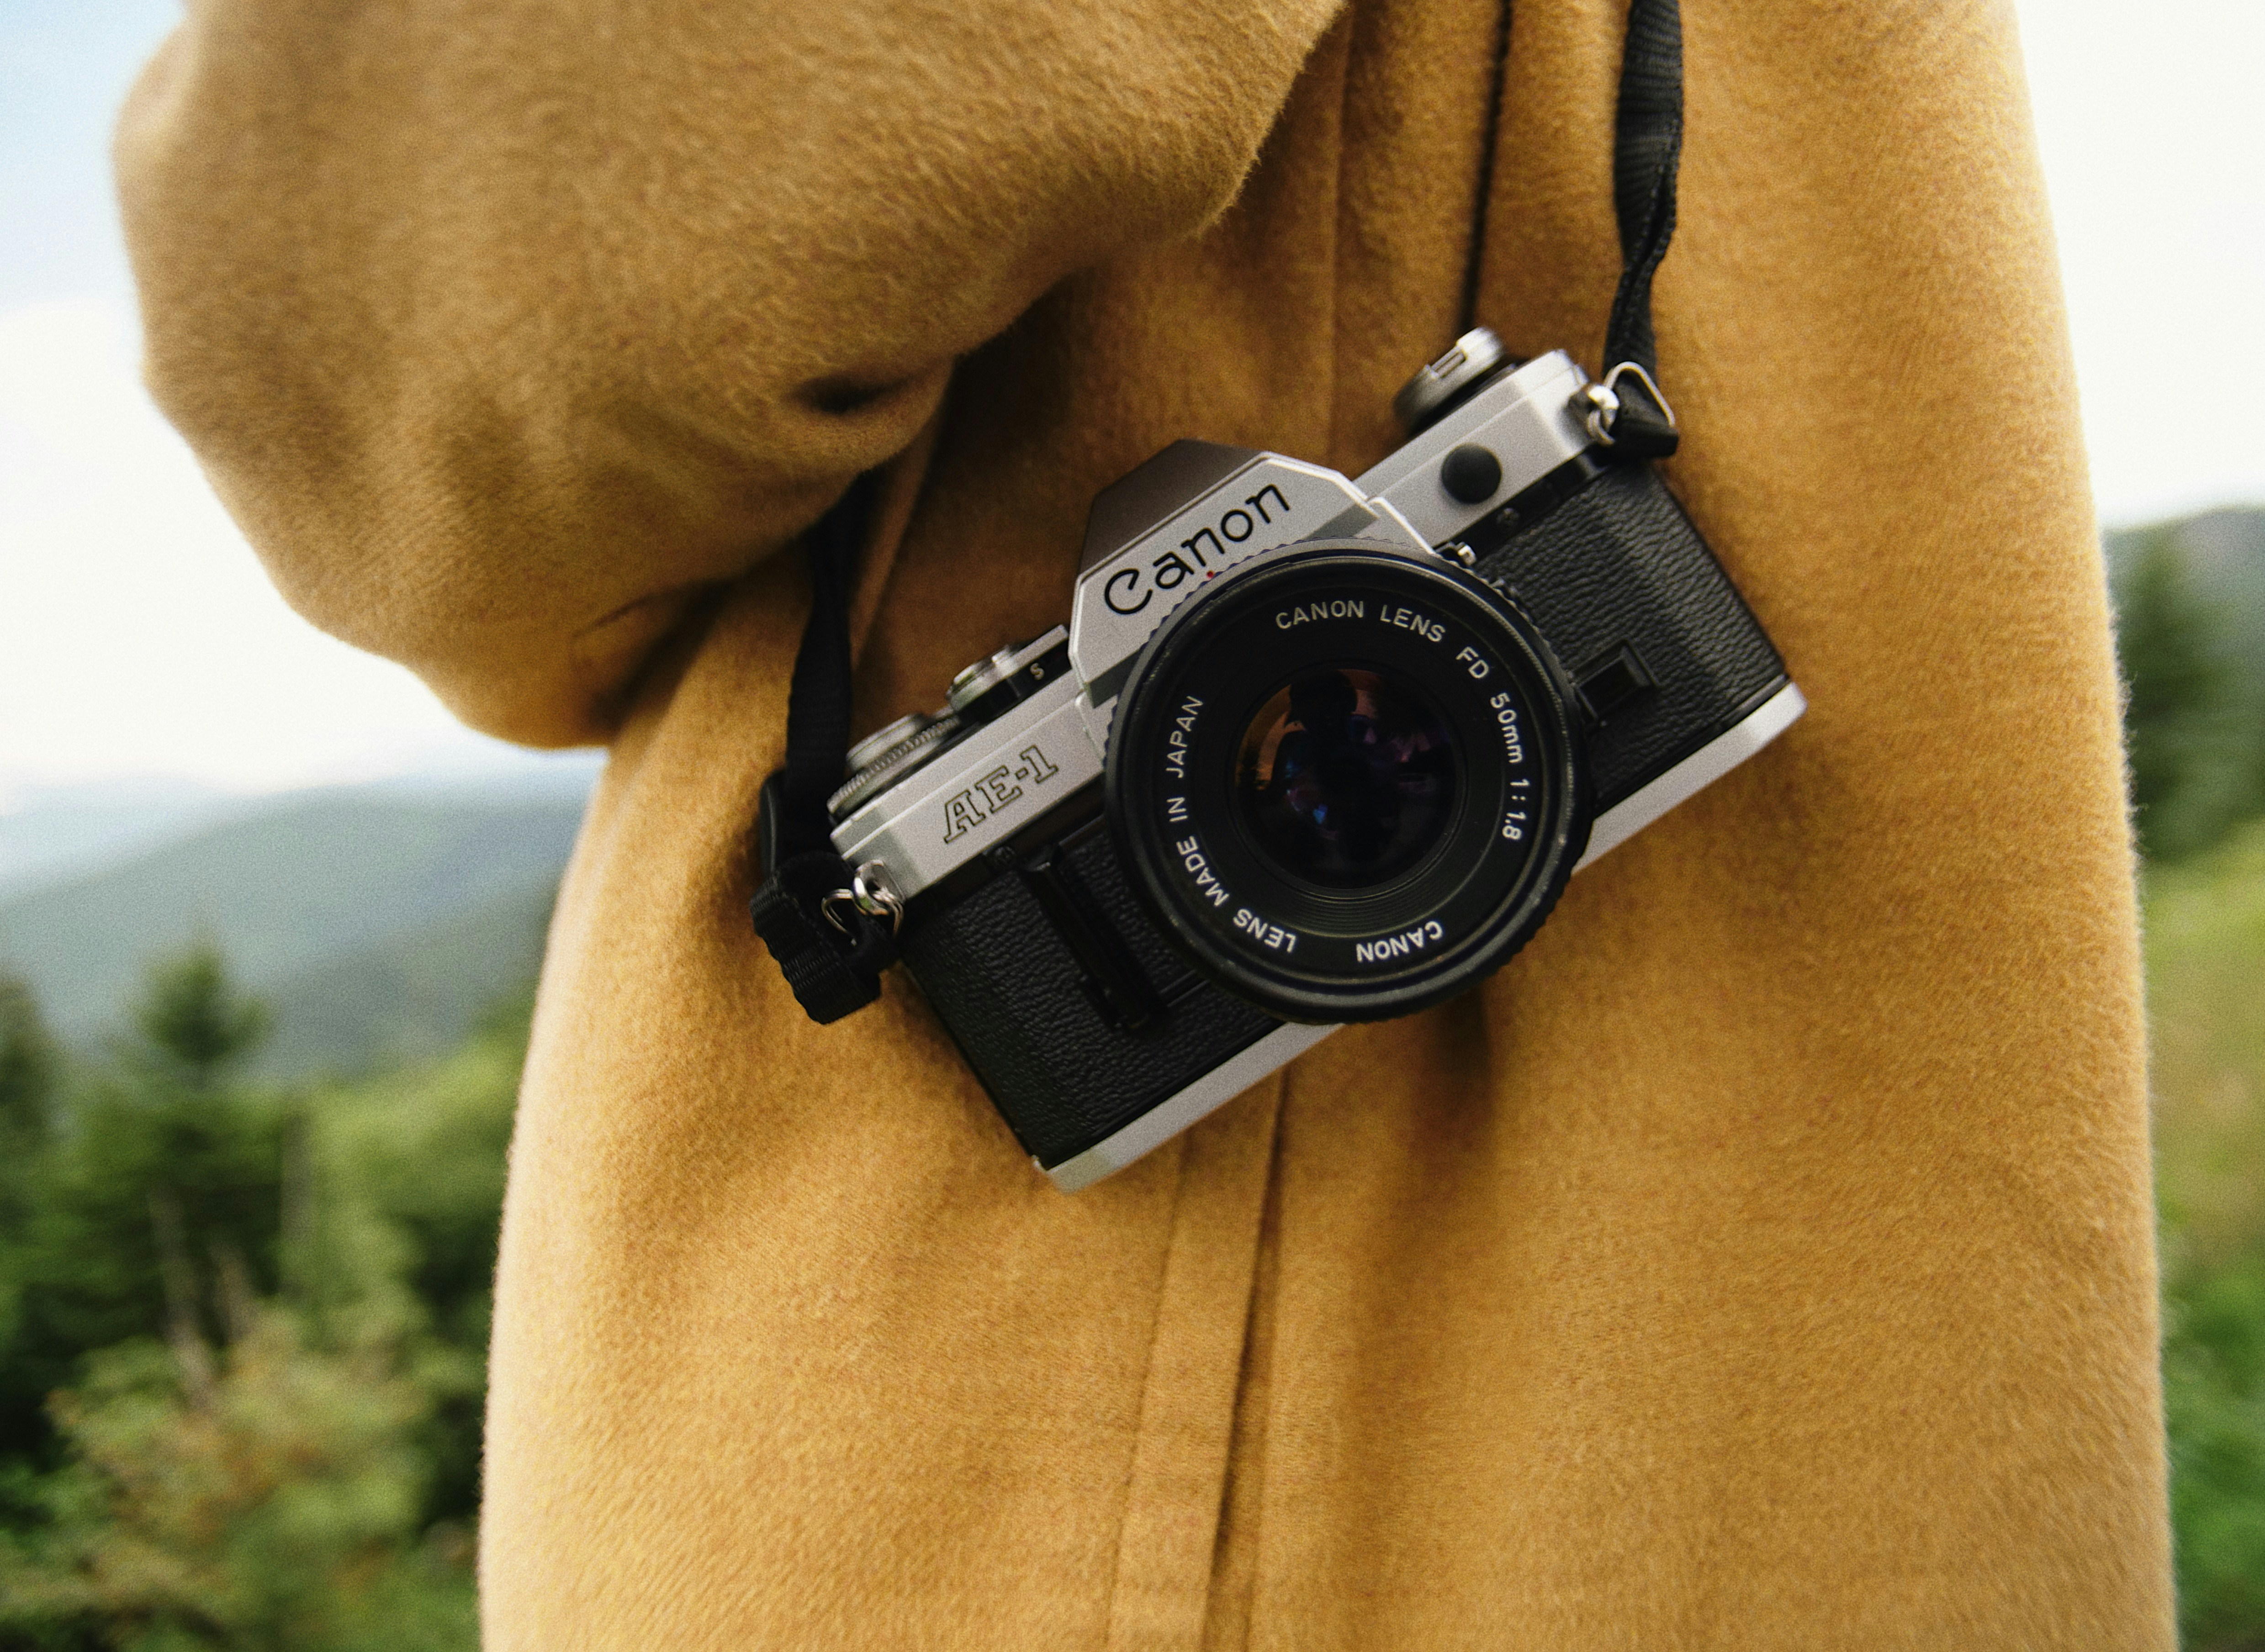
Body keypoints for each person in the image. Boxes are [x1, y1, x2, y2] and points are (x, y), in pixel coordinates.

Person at [115, 0, 2175, 1643]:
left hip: (1112, 1452)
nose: (1353, 781)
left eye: (1346, 757)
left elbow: (452, 356)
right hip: (1815, 1271)